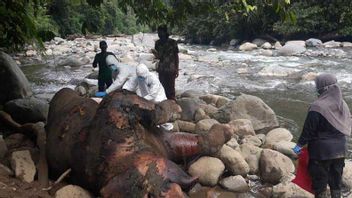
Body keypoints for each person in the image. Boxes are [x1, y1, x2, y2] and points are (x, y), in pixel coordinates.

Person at [293, 73, 351, 198]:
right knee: (336, 183)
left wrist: (298, 146)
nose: (316, 88)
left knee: (320, 185)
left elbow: (308, 131)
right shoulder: (343, 105)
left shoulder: (317, 106)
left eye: (317, 86)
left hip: (321, 153)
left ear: (322, 88)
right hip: (340, 151)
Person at [151, 25, 179, 100]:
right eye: (158, 32)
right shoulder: (157, 43)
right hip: (162, 68)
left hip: (171, 69)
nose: (159, 34)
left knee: (171, 89)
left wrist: (177, 68)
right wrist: (154, 53)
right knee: (161, 88)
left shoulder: (173, 43)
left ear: (165, 32)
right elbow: (159, 57)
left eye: (161, 32)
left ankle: (172, 104)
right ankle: (163, 104)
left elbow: (176, 56)